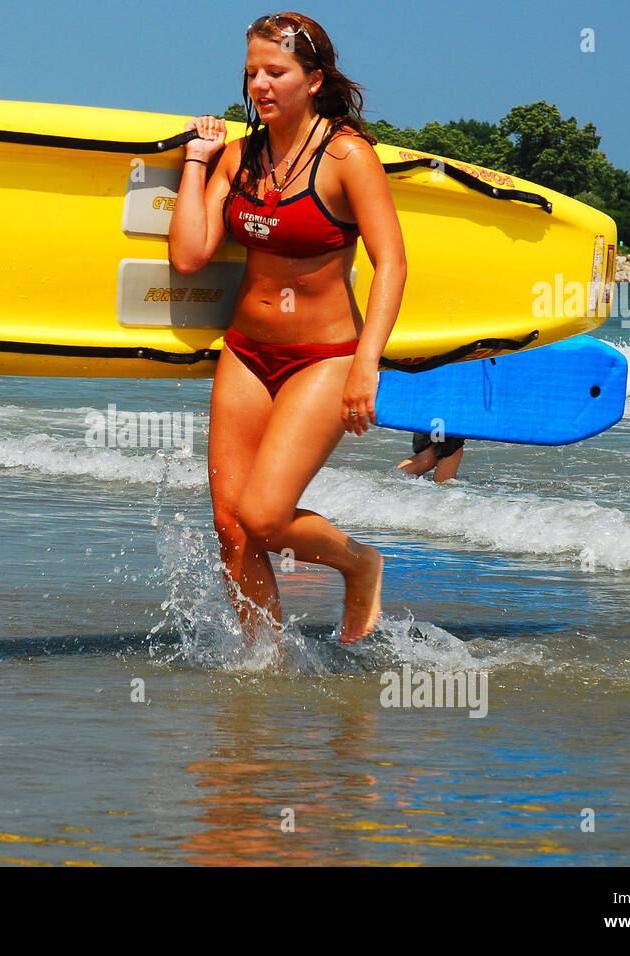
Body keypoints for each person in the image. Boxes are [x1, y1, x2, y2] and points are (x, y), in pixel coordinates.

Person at [169, 11, 406, 644]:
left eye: (276, 72)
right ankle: (265, 661)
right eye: (251, 73)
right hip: (247, 352)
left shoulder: (347, 156)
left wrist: (366, 366)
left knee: (267, 517)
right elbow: (190, 255)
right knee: (231, 526)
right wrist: (197, 160)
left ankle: (361, 564)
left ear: (314, 78)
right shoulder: (239, 158)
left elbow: (392, 264)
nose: (260, 86)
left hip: (325, 356)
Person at [398, 432, 465, 482]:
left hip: (426, 414)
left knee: (426, 458)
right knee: (450, 455)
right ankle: (440, 497)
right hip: (451, 416)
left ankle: (391, 480)